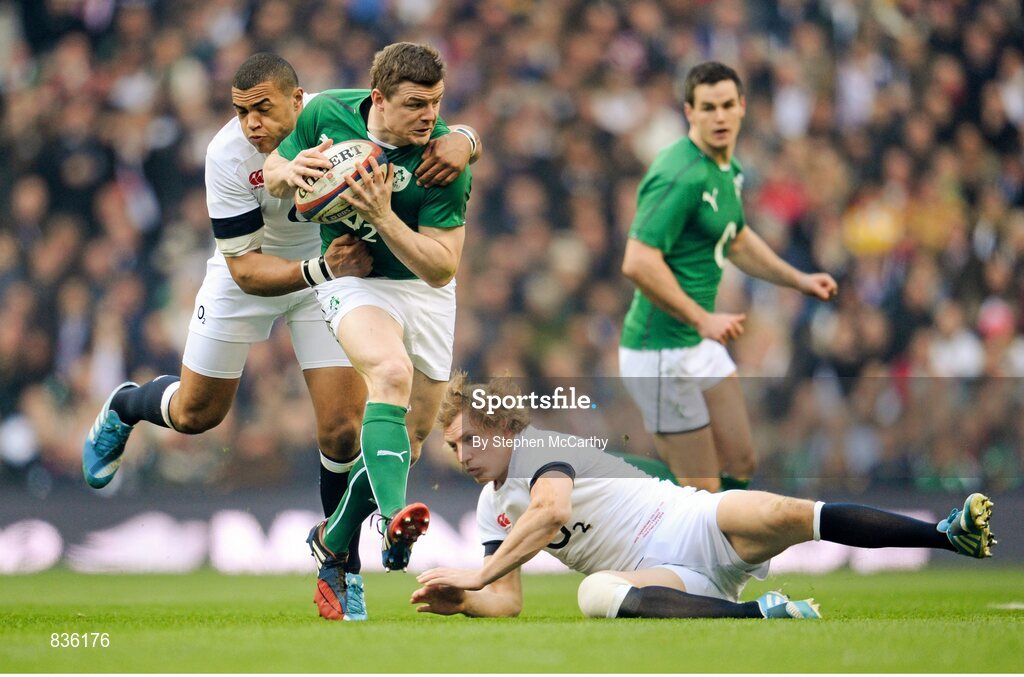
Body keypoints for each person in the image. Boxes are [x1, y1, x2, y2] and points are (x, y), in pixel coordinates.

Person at [81, 53, 480, 621]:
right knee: (198, 414)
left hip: (339, 271)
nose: (251, 124)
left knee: (343, 430)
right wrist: (321, 263)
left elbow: (421, 125)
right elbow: (244, 268)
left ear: (297, 102)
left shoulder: (326, 117)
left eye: (263, 110)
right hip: (259, 269)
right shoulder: (225, 154)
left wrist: (465, 136)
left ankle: (339, 569)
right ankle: (127, 404)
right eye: (241, 112)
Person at [411, 374, 996, 619]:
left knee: (785, 512)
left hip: (686, 522)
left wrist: (477, 573)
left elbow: (552, 511)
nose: (462, 456)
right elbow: (508, 602)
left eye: (469, 440)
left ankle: (946, 534)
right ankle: (756, 615)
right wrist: (461, 599)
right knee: (594, 594)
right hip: (662, 577)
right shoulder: (492, 505)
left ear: (504, 428)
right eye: (454, 446)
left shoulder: (541, 445)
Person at [263, 42, 475, 621]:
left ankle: (332, 538)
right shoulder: (326, 112)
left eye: (435, 103)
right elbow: (276, 167)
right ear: (378, 97)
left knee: (409, 440)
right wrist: (290, 172)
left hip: (423, 289)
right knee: (389, 373)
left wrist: (382, 215)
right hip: (352, 277)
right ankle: (391, 520)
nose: (429, 116)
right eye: (414, 105)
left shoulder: (443, 159)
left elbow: (441, 267)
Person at [619, 62, 839, 492]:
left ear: (741, 107)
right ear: (689, 113)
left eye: (726, 105)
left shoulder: (728, 168)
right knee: (701, 490)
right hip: (660, 350)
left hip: (696, 341)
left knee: (741, 460)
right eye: (707, 107)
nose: (718, 116)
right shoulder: (678, 174)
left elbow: (735, 239)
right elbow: (637, 262)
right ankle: (605, 484)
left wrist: (799, 279)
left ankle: (720, 548)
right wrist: (702, 319)